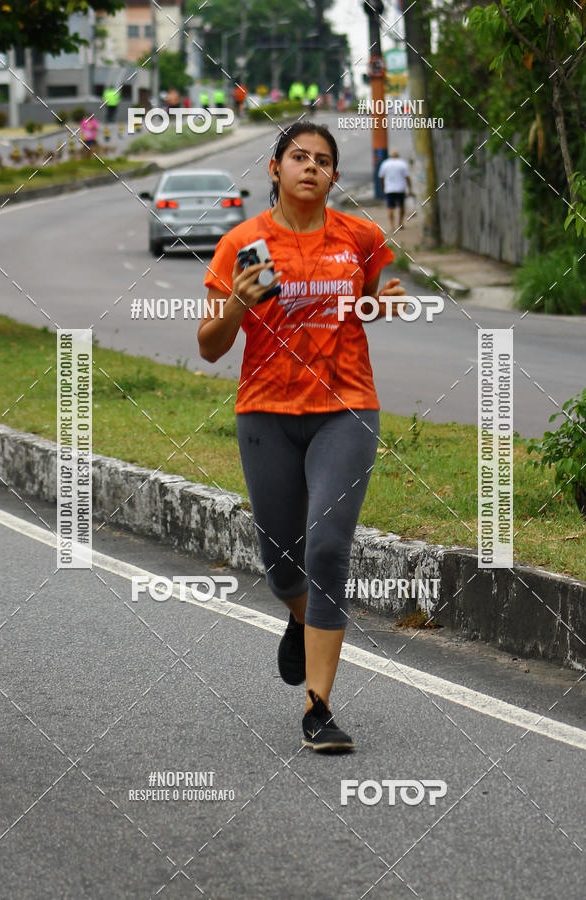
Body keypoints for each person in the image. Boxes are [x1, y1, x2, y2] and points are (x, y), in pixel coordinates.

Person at [198, 121, 407, 754]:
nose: (311, 166)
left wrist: (379, 304)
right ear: (275, 169)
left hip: (346, 409)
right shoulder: (244, 244)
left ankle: (318, 708)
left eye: (322, 160)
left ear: (334, 176)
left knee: (327, 549)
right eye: (298, 157)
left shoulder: (360, 237)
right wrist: (238, 303)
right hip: (265, 412)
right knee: (282, 563)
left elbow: (365, 301)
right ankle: (301, 618)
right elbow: (209, 347)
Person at [377, 149, 413, 231]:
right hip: (400, 189)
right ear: (398, 155)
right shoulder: (402, 164)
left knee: (390, 207)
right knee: (401, 206)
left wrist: (382, 188)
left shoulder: (385, 164)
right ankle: (400, 223)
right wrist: (409, 188)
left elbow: (381, 177)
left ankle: (392, 225)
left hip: (389, 189)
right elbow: (407, 178)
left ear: (390, 156)